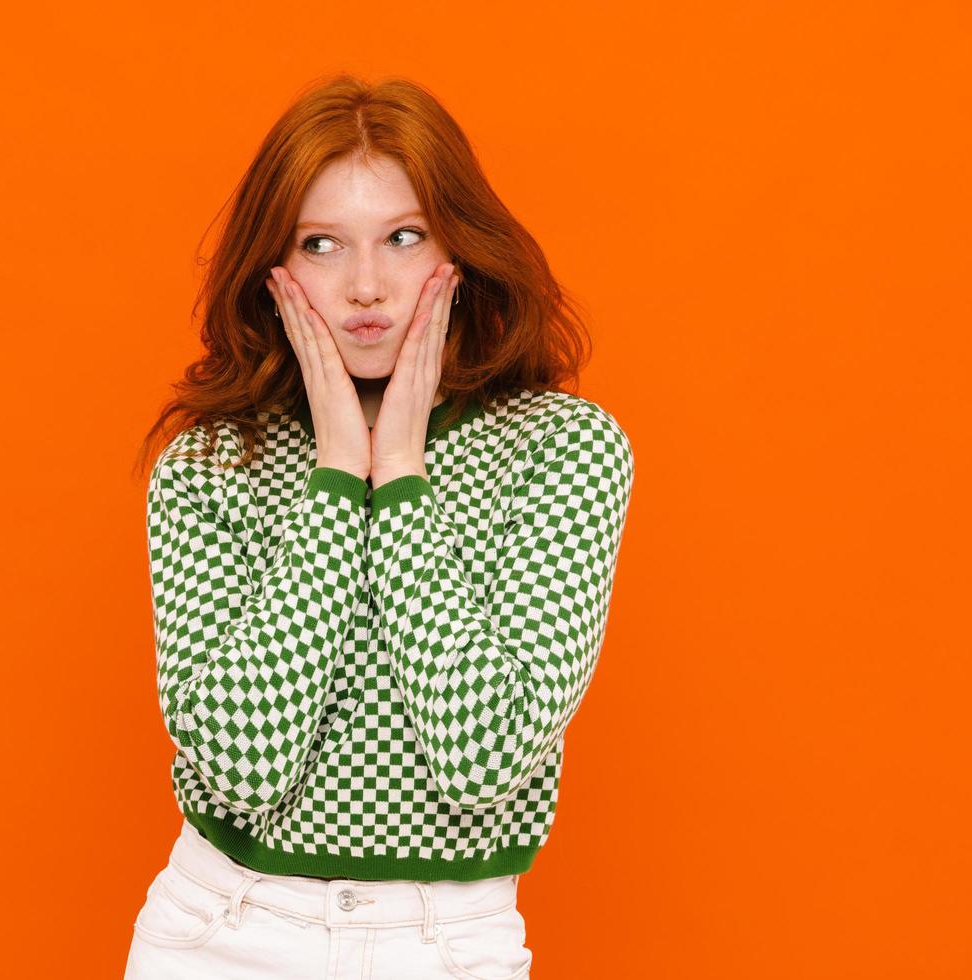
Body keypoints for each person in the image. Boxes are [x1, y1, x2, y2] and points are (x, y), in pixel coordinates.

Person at [125, 73, 635, 979]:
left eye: (404, 238)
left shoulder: (563, 452)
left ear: (462, 249)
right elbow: (243, 768)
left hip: (446, 947)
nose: (366, 286)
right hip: (221, 931)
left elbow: (485, 759)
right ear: (273, 269)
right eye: (321, 244)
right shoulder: (209, 465)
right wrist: (333, 478)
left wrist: (398, 476)